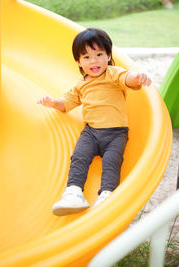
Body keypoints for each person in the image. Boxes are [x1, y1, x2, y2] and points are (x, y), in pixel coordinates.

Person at [37, 28, 151, 216]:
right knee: (79, 158)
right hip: (90, 133)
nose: (94, 61)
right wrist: (52, 103)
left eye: (99, 54)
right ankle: (73, 193)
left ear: (108, 56)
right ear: (79, 62)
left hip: (116, 133)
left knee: (112, 162)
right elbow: (66, 103)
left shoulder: (113, 74)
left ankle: (107, 195)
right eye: (87, 57)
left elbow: (128, 79)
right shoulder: (81, 85)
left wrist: (137, 77)